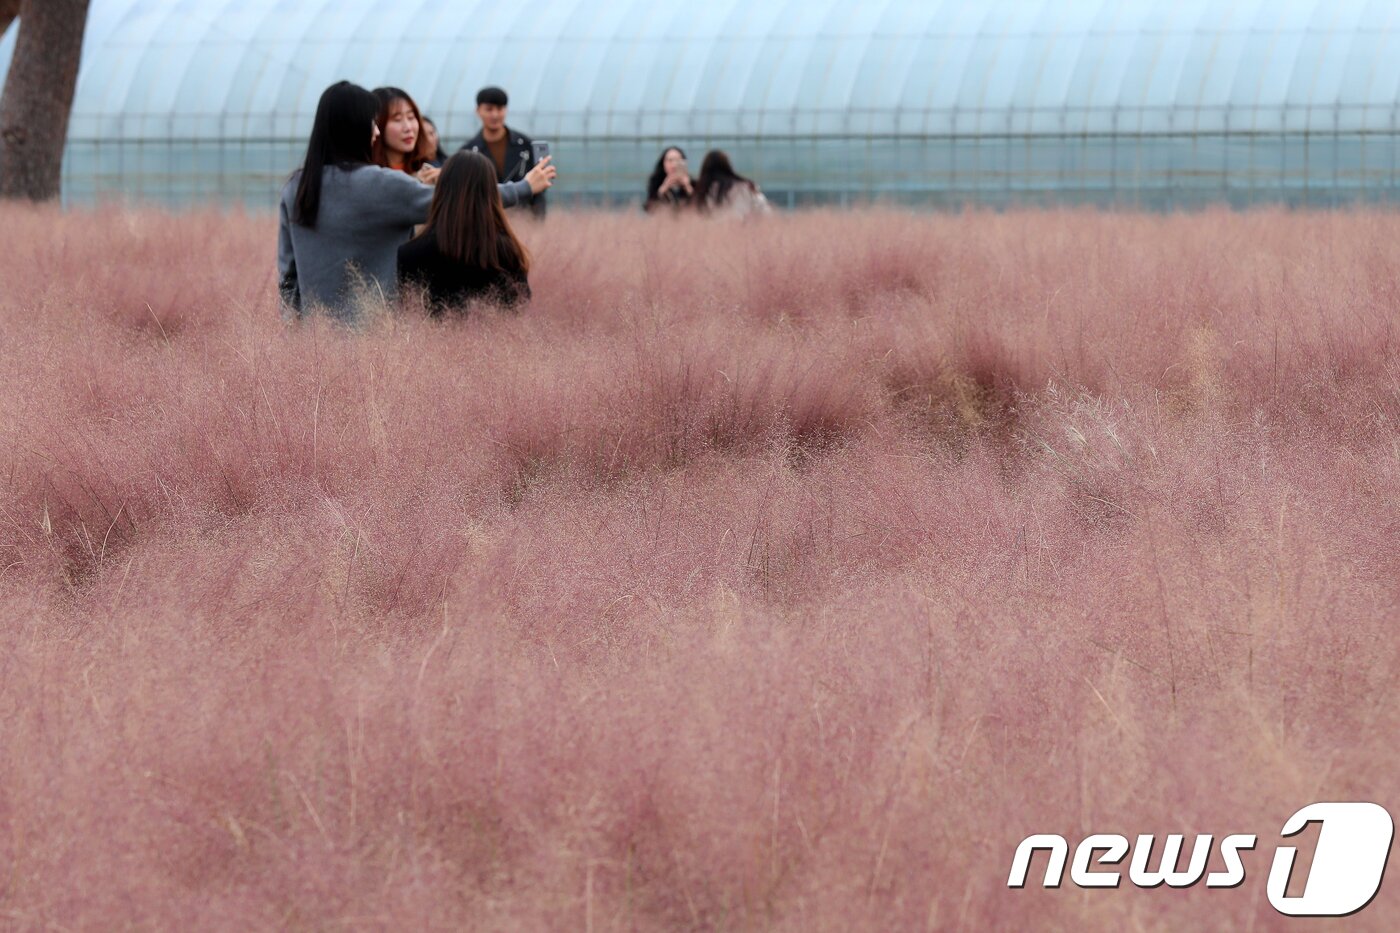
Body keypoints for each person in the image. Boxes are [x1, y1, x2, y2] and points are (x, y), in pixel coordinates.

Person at [278, 81, 554, 321]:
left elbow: (288, 276)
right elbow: (463, 200)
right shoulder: (385, 186)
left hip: (315, 339)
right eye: (375, 122)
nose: (375, 131)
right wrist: (524, 187)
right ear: (357, 128)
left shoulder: (296, 188)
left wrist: (296, 329)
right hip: (378, 336)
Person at [397, 151, 532, 314]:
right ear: (491, 195)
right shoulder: (507, 251)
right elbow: (520, 308)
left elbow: (405, 312)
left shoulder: (410, 254)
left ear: (441, 191)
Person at [460, 86, 545, 219]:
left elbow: (539, 190)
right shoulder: (468, 152)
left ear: (506, 110)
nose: (495, 115)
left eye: (499, 109)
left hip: (523, 219)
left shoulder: (526, 145)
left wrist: (537, 221)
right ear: (478, 111)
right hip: (486, 221)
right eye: (489, 109)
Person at [371, 86, 437, 183]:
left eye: (411, 117)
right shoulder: (368, 175)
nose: (408, 127)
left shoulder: (428, 170)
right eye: (397, 120)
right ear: (378, 124)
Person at [695, 150, 772, 218]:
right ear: (728, 166)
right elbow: (765, 212)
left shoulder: (703, 192)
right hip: (745, 231)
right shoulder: (746, 187)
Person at [644, 146, 695, 212]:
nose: (674, 165)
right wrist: (664, 188)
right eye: (670, 160)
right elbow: (649, 209)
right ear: (663, 164)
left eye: (678, 160)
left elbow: (701, 208)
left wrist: (688, 187)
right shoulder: (656, 183)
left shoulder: (693, 184)